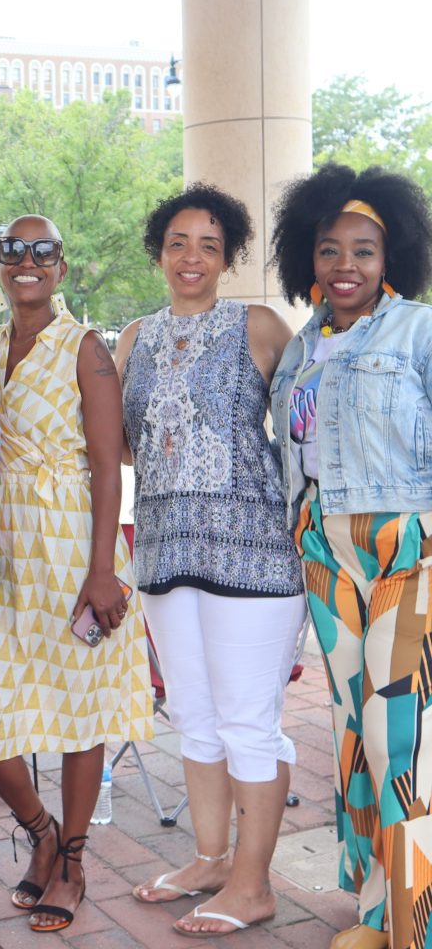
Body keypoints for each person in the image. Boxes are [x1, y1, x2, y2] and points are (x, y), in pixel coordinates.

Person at [115, 184, 307, 937]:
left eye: (208, 245)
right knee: (193, 716)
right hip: (165, 553)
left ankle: (254, 887)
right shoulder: (134, 336)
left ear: (227, 258)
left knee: (247, 723)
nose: (190, 257)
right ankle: (209, 859)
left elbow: (305, 423)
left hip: (255, 557)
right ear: (159, 253)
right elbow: (122, 445)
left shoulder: (258, 325)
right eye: (178, 243)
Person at [269, 164, 432, 949]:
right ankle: (377, 907)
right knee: (350, 734)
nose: (345, 266)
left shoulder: (420, 332)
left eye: (363, 251)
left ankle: (416, 922)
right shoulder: (302, 348)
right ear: (308, 256)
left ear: (390, 256)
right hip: (325, 548)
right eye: (329, 250)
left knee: (400, 737)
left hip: (406, 544)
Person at [0, 214, 154, 934]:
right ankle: (41, 830)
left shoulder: (85, 348)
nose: (28, 262)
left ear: (62, 264)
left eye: (43, 251)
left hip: (74, 550)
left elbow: (109, 467)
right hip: (0, 554)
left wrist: (103, 570)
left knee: (82, 713)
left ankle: (74, 862)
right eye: (13, 252)